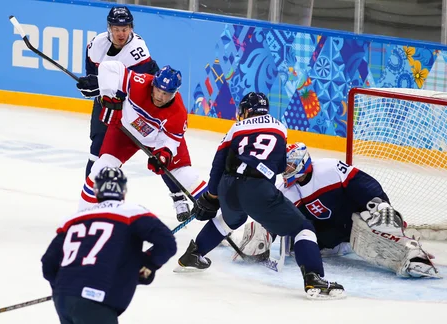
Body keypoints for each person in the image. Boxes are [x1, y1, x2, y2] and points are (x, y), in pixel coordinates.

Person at [175, 92, 345, 299]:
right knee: (303, 228)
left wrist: (211, 195)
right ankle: (314, 277)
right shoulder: (280, 127)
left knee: (230, 219)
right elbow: (281, 166)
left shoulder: (236, 128)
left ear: (246, 110)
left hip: (228, 185)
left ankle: (193, 255)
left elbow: (218, 163)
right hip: (257, 187)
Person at [239, 142, 440, 278]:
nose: (286, 171)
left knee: (375, 219)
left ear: (302, 163)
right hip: (328, 240)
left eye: (290, 166)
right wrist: (262, 233)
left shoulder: (330, 169)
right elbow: (275, 215)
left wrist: (381, 204)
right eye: (285, 166)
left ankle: (412, 254)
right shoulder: (286, 190)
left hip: (353, 220)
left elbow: (364, 185)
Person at [75, 6, 193, 221]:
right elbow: (94, 81)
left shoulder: (137, 50)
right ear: (109, 27)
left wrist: (99, 87)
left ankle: (178, 196)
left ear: (131, 28)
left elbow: (138, 89)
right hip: (110, 100)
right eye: (117, 28)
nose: (122, 33)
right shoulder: (95, 45)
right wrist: (90, 87)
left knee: (158, 151)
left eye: (126, 28)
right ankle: (93, 205)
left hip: (144, 102)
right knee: (97, 151)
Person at [41, 167, 177, 324]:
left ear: (96, 190)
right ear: (123, 190)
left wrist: (64, 288)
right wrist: (147, 265)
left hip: (63, 300)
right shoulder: (132, 212)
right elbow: (167, 244)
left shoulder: (75, 218)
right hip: (96, 300)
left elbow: (48, 264)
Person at [76, 61, 208, 213]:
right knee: (100, 169)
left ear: (175, 93)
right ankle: (83, 216)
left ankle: (219, 220)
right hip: (124, 131)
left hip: (156, 139)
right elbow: (109, 67)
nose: (160, 96)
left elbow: (171, 141)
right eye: (158, 90)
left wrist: (163, 155)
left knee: (187, 177)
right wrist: (107, 94)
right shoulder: (139, 82)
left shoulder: (178, 113)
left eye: (166, 94)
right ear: (153, 84)